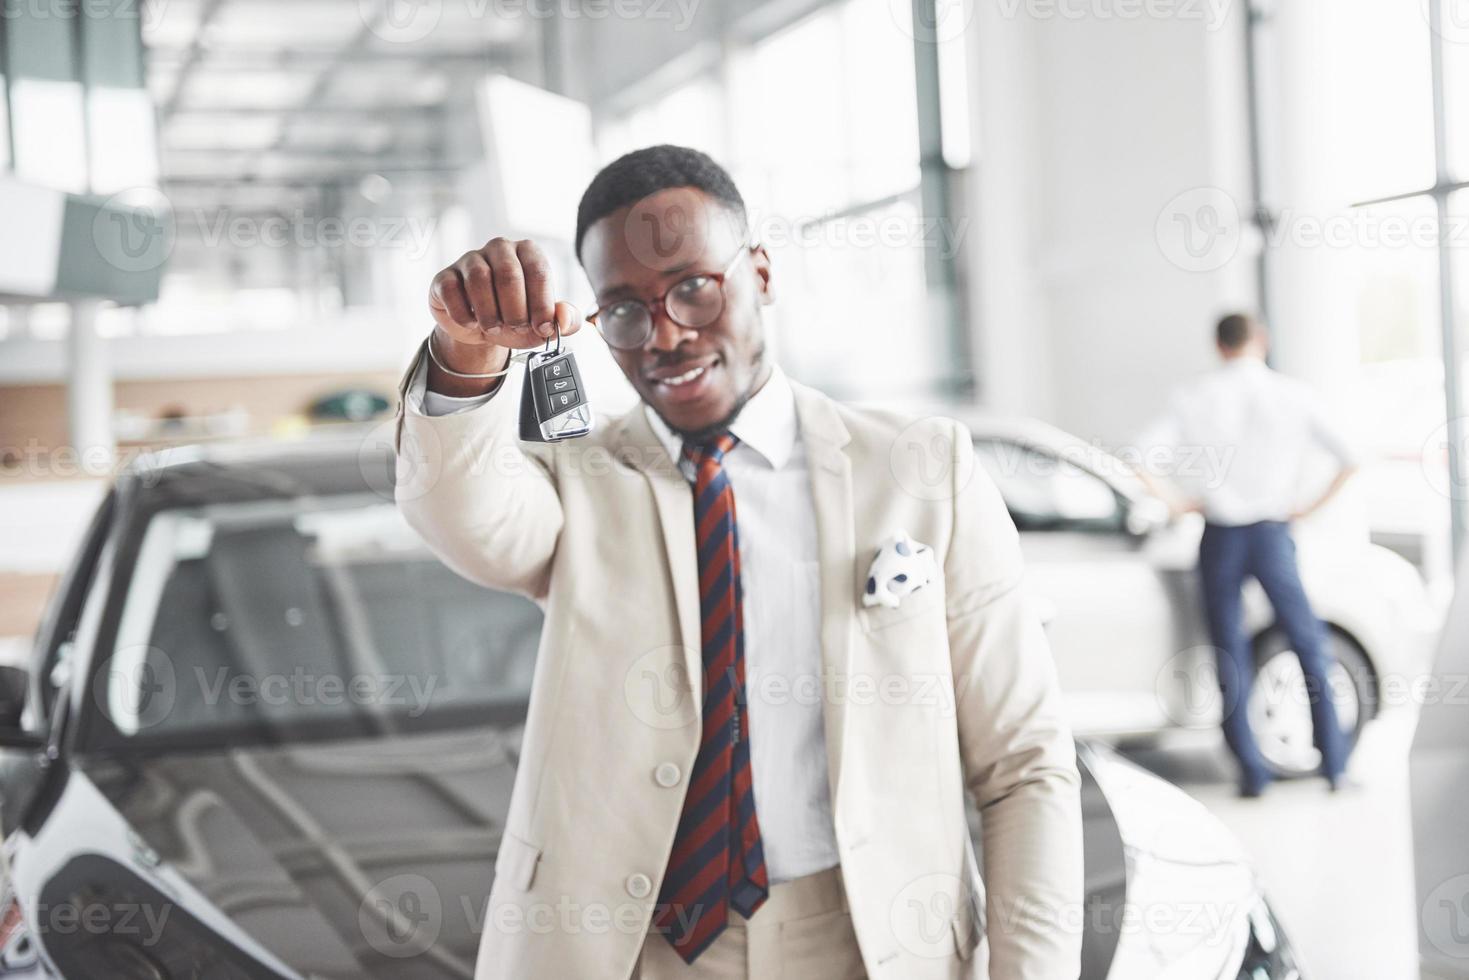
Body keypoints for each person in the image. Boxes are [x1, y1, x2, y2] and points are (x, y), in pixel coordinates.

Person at [393, 145, 1082, 979]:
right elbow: (467, 519)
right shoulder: (577, 480)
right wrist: (465, 356)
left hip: (869, 941)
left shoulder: (919, 470)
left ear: (758, 271)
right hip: (630, 948)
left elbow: (1023, 767)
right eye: (625, 311)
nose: (668, 336)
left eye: (693, 287)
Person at [1135, 312, 1359, 798]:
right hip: (1273, 532)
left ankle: (1252, 773)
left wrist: (1178, 502)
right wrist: (1307, 508)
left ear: (1219, 346)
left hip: (1220, 535)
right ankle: (1335, 765)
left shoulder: (1194, 396)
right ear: (1262, 340)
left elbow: (1140, 455)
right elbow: (1351, 457)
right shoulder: (1292, 394)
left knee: (1229, 650)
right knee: (1308, 642)